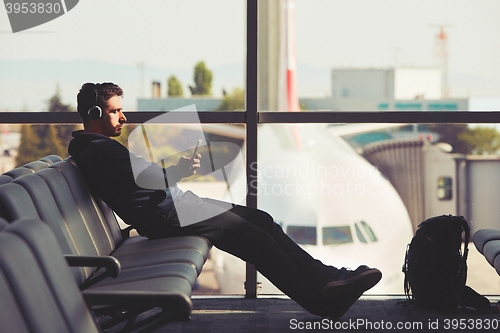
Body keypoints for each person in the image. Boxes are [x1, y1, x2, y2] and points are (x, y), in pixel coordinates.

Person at [68, 82, 382, 319]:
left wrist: (175, 169)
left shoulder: (96, 147)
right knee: (254, 238)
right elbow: (147, 178)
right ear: (94, 114)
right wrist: (178, 167)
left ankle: (328, 278)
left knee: (261, 221)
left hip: (173, 207)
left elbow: (142, 177)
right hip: (166, 215)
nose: (123, 117)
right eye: (114, 111)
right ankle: (320, 298)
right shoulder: (99, 150)